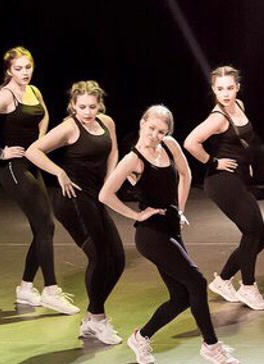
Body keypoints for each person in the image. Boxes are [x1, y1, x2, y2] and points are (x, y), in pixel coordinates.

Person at [100, 105, 239, 364]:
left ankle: (141, 337)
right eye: (151, 128)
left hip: (172, 227)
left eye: (161, 131)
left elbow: (185, 174)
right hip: (151, 234)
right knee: (197, 282)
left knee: (182, 297)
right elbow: (105, 194)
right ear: (142, 123)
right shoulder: (132, 160)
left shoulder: (170, 145)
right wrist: (136, 215)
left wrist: (180, 209)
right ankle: (211, 346)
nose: (155, 135)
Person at [0, 46, 78, 315]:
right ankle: (51, 291)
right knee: (46, 225)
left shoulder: (34, 91)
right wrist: (0, 152)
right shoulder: (6, 95)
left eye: (27, 67)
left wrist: (40, 144)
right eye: (18, 68)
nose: (24, 72)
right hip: (13, 168)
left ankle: (26, 288)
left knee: (43, 229)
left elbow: (45, 115)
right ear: (9, 71)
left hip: (32, 163)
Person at [26, 80, 124, 343]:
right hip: (72, 200)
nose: (87, 112)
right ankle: (98, 319)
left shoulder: (107, 122)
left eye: (92, 106)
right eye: (82, 107)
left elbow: (113, 150)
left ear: (99, 105)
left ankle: (92, 318)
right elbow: (33, 151)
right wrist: (59, 172)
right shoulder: (69, 127)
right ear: (73, 106)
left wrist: (110, 179)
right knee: (99, 257)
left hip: (96, 197)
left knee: (118, 260)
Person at [184, 66, 264, 311]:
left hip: (238, 179)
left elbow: (244, 140)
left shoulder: (239, 105)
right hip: (221, 181)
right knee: (252, 233)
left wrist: (247, 162)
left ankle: (222, 281)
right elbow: (190, 142)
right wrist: (213, 162)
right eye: (220, 89)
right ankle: (248, 287)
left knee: (260, 238)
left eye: (230, 88)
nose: (225, 93)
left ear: (237, 88)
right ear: (213, 89)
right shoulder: (218, 118)